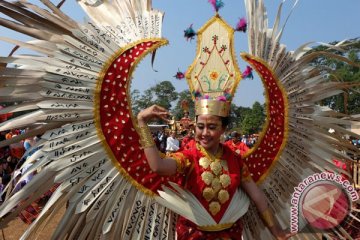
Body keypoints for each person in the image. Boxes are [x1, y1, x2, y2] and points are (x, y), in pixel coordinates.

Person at [137, 105, 294, 240]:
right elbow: (158, 166)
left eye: (212, 127)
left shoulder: (235, 160)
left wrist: (276, 231)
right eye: (200, 126)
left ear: (223, 129)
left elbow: (256, 196)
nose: (204, 133)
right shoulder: (188, 157)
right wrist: (142, 122)